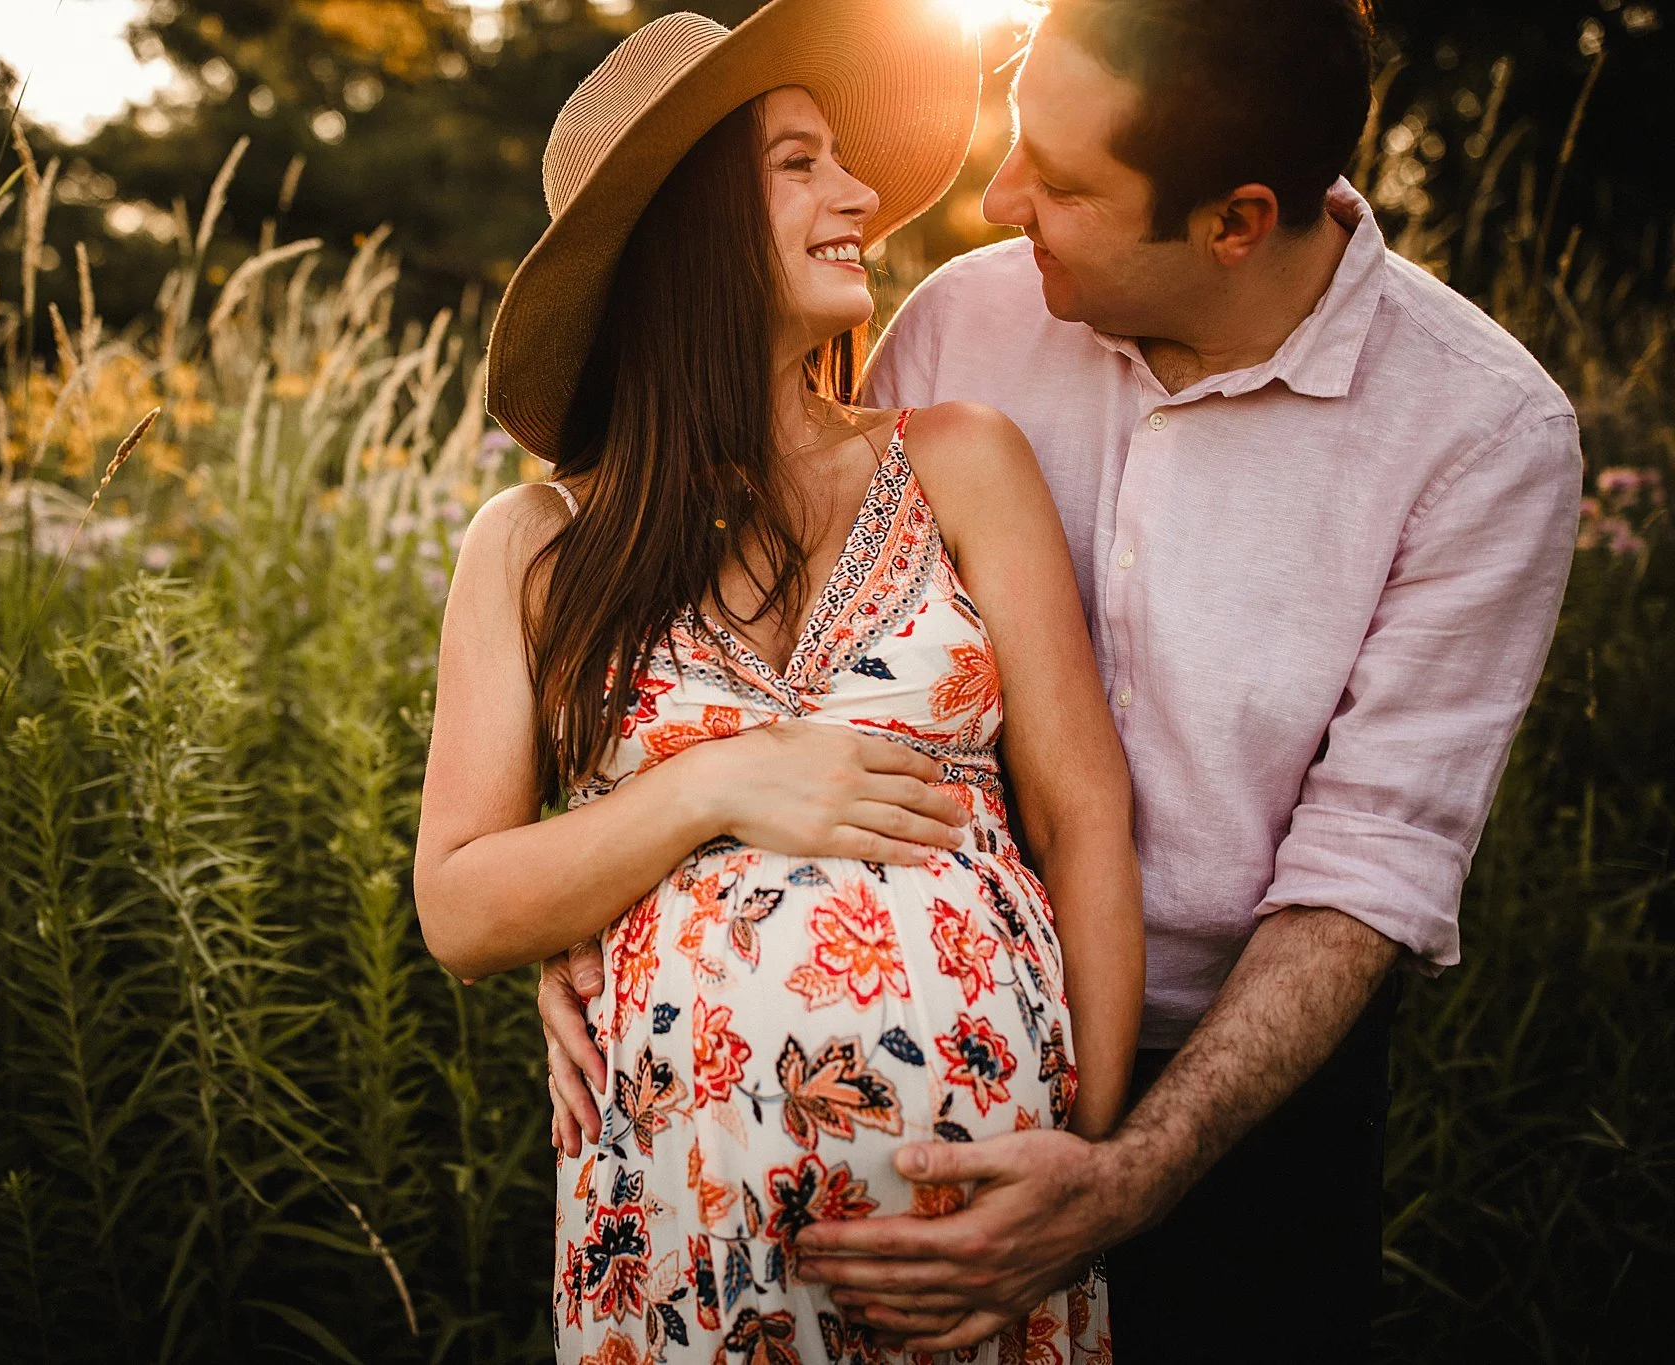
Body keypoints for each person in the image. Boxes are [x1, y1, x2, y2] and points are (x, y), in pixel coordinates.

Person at [537, 0, 1583, 1359]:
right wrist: (601, 905)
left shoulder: (1481, 436)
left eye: (1066, 181)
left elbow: (1365, 877)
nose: (999, 194)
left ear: (1235, 222)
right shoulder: (965, 320)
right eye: (1018, 136)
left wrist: (1126, 1166)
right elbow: (720, 586)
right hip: (850, 1109)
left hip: (1245, 1090)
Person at [414, 2, 1146, 1361]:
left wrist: (1081, 1182)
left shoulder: (960, 461)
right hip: (690, 1240)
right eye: (800, 162)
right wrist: (714, 787)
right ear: (684, 228)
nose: (860, 194)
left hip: (988, 1240)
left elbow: (1087, 817)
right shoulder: (533, 549)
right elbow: (459, 904)